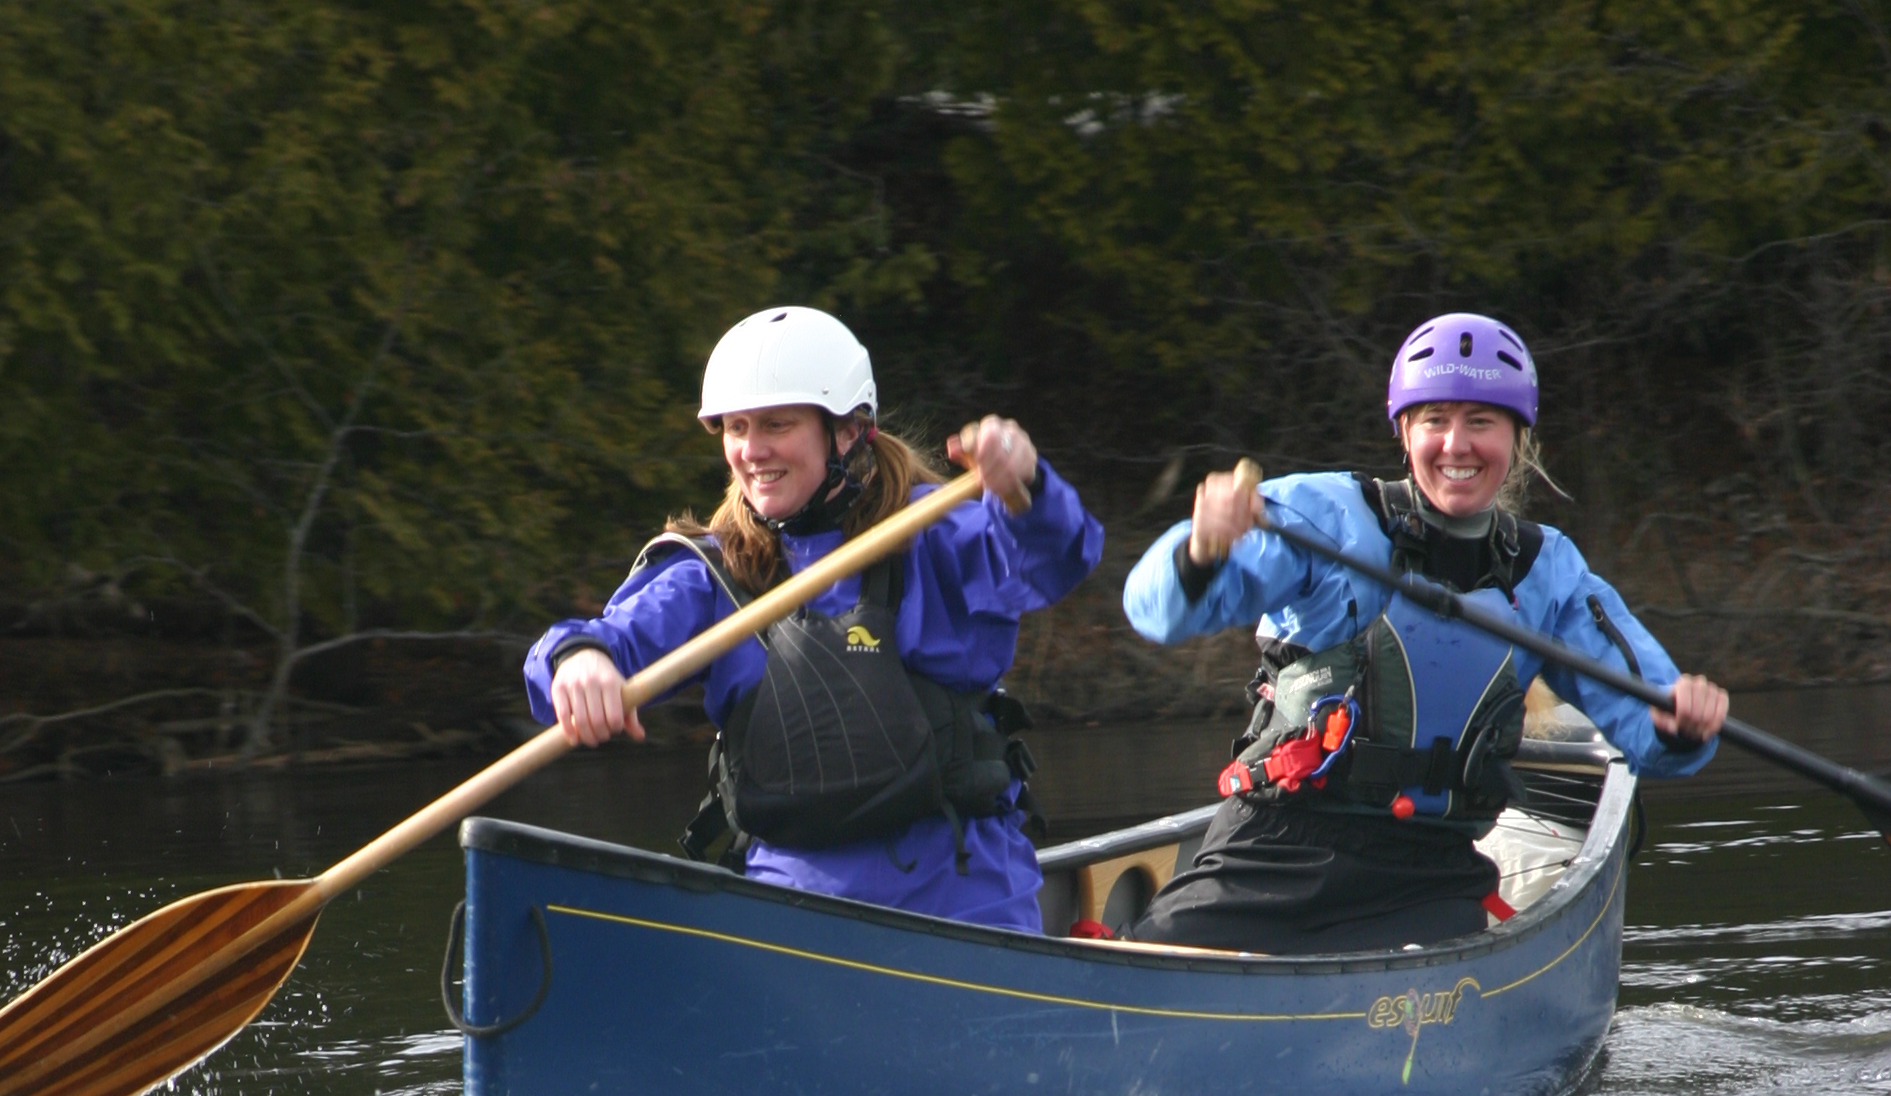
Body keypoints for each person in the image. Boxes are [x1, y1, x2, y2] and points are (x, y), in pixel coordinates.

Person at [1119, 311, 1729, 950]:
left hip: (1429, 876)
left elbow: (1647, 719)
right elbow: (1157, 612)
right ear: (1404, 433)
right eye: (1435, 420)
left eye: (1482, 421)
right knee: (1149, 962)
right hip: (1275, 852)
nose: (1456, 445)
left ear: (1517, 437)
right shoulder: (1320, 518)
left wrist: (1678, 724)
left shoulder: (1548, 573)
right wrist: (1200, 551)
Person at [523, 305, 1103, 931]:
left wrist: (1024, 487)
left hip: (964, 906)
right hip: (792, 924)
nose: (750, 450)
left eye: (776, 424)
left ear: (848, 431)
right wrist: (578, 660)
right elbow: (602, 640)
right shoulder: (714, 572)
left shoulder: (937, 530)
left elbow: (1058, 556)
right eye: (735, 427)